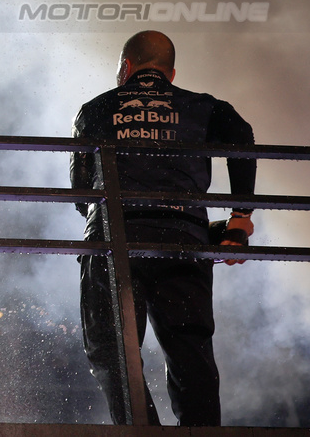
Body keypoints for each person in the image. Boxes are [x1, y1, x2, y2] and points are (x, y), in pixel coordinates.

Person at [71, 30, 256, 426]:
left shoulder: (95, 109)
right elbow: (242, 135)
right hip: (184, 239)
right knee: (190, 351)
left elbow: (82, 194)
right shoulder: (203, 106)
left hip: (113, 241)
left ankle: (144, 431)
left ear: (126, 67)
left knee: (111, 348)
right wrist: (240, 217)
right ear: (171, 74)